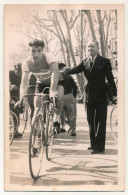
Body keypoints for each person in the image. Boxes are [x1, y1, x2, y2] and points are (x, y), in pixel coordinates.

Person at [66, 40, 117, 154]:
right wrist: (63, 71)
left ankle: (100, 147)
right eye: (88, 47)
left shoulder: (104, 61)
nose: (90, 48)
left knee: (100, 121)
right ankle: (93, 144)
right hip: (88, 96)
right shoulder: (85, 61)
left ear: (98, 48)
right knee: (90, 121)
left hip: (101, 95)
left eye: (92, 46)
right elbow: (75, 69)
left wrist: (114, 94)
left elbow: (110, 77)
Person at [17, 39, 64, 155]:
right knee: (36, 109)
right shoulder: (26, 63)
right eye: (33, 51)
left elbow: (54, 74)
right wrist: (22, 97)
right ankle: (34, 143)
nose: (36, 54)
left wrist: (52, 91)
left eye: (39, 51)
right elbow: (24, 82)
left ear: (43, 51)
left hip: (57, 82)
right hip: (41, 83)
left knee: (59, 98)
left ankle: (56, 120)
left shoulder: (49, 57)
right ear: (29, 52)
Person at [58, 63, 77, 136]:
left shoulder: (54, 76)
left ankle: (61, 127)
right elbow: (75, 87)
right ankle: (72, 130)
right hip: (68, 95)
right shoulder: (68, 76)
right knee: (72, 113)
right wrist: (74, 96)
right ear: (63, 68)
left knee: (59, 113)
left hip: (58, 96)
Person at [9, 63, 22, 138]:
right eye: (18, 71)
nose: (19, 73)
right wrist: (11, 86)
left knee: (16, 111)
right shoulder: (9, 73)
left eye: (20, 72)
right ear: (15, 69)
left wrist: (18, 88)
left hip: (16, 95)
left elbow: (23, 85)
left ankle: (15, 130)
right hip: (8, 93)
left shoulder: (21, 76)